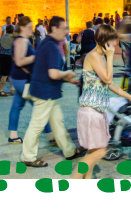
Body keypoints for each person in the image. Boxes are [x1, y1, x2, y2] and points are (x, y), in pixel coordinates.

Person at [73, 24, 131, 179]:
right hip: (91, 110)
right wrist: (110, 56)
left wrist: (128, 96)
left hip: (97, 109)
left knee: (92, 152)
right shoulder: (94, 56)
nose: (116, 44)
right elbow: (108, 78)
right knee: (99, 152)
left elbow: (109, 84)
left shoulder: (100, 56)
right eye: (114, 41)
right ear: (106, 41)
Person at [20, 16, 86, 168]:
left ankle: (69, 151)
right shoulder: (50, 46)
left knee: (57, 123)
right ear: (55, 29)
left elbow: (46, 70)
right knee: (37, 125)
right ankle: (27, 156)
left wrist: (68, 80)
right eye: (64, 28)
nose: (67, 32)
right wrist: (67, 74)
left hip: (46, 91)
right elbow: (53, 74)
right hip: (44, 93)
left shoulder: (46, 44)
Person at [7, 16, 54, 144]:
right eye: (29, 28)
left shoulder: (24, 40)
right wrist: (35, 56)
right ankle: (51, 136)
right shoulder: (21, 41)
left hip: (20, 79)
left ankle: (13, 135)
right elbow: (19, 61)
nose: (31, 30)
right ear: (22, 28)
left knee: (16, 106)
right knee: (40, 105)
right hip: (21, 79)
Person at [0, 24, 15, 96]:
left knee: (8, 74)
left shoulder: (2, 37)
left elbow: (0, 46)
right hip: (10, 56)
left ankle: (12, 89)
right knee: (7, 74)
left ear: (6, 30)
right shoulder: (13, 38)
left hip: (2, 55)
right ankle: (0, 90)